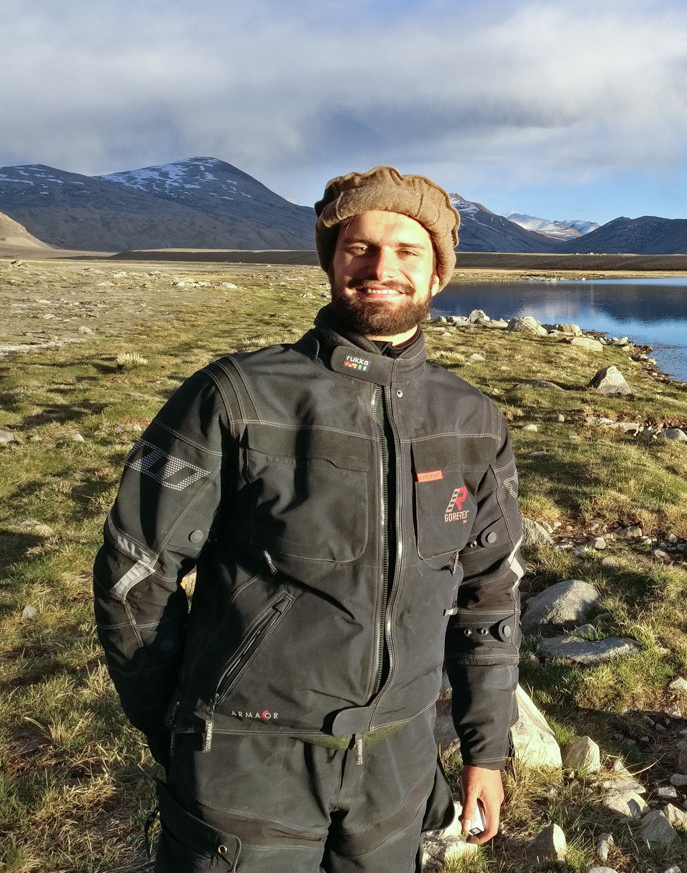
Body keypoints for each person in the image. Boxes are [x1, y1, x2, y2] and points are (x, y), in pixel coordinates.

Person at [93, 166, 523, 871]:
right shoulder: (235, 397)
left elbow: (490, 595)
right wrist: (172, 723)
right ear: (331, 262)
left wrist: (486, 750)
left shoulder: (472, 421)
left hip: (398, 762)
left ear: (438, 275)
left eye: (408, 251)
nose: (381, 267)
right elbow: (134, 573)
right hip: (246, 762)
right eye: (359, 248)